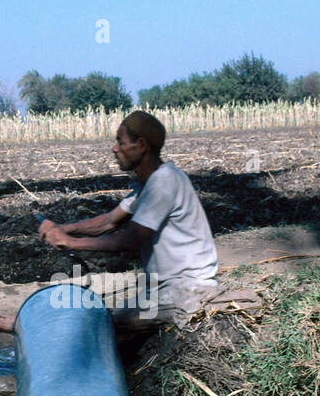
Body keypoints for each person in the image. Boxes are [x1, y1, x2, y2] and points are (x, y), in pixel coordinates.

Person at [38, 110, 218, 326]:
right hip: (167, 287)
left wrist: (71, 242)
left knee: (105, 326)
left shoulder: (164, 181)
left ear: (141, 145)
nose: (115, 149)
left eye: (120, 143)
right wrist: (62, 229)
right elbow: (111, 221)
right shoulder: (149, 184)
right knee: (106, 319)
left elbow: (130, 239)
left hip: (187, 288)